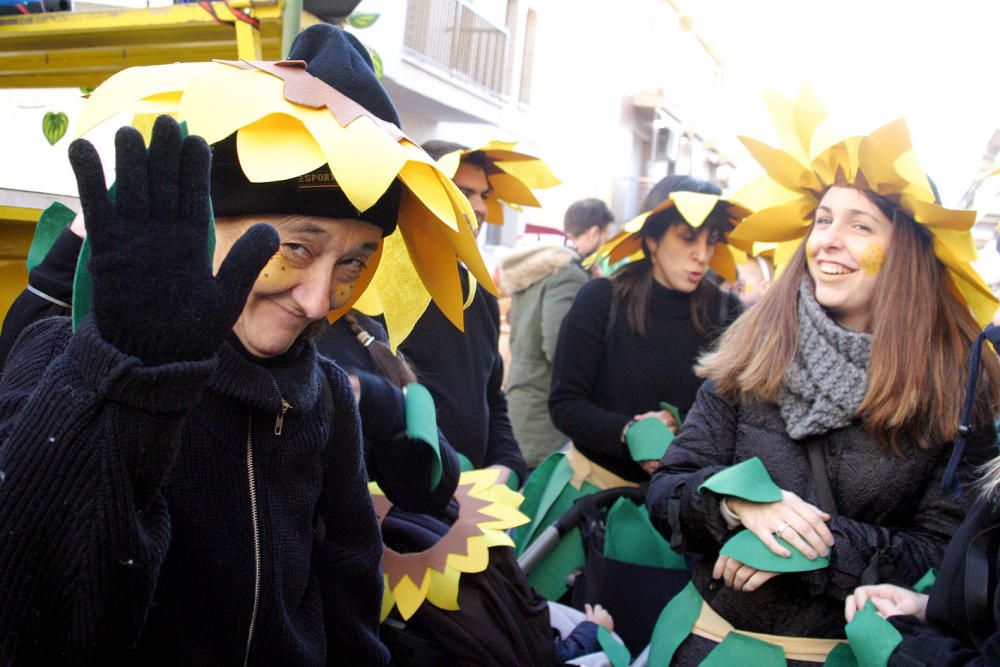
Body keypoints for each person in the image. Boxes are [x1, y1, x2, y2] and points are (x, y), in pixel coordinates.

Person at [0, 25, 484, 665]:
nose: (317, 301)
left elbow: (348, 596)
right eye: (295, 249)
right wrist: (133, 388)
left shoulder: (327, 393)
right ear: (201, 222)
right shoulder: (64, 356)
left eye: (352, 264)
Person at [646, 90, 1000, 665]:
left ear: (906, 252)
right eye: (823, 220)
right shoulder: (754, 348)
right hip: (702, 645)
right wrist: (741, 506)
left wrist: (802, 545)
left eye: (860, 226)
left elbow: (943, 558)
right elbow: (667, 490)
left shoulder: (956, 386)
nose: (828, 240)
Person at [548, 175, 744, 483]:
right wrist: (629, 432)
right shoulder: (601, 299)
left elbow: (739, 417)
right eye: (688, 237)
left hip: (686, 501)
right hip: (596, 494)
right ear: (652, 238)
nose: (702, 255)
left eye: (711, 240)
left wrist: (682, 435)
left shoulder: (727, 312)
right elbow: (565, 404)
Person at [389, 140, 536, 488]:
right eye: (464, 192)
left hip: (479, 502)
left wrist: (507, 465)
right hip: (403, 505)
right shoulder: (378, 286)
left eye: (484, 195)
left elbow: (491, 397)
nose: (479, 207)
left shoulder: (480, 292)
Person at [501, 198, 614, 468]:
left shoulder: (538, 268)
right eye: (607, 237)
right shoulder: (566, 274)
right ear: (594, 232)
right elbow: (562, 349)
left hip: (525, 404)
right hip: (546, 418)